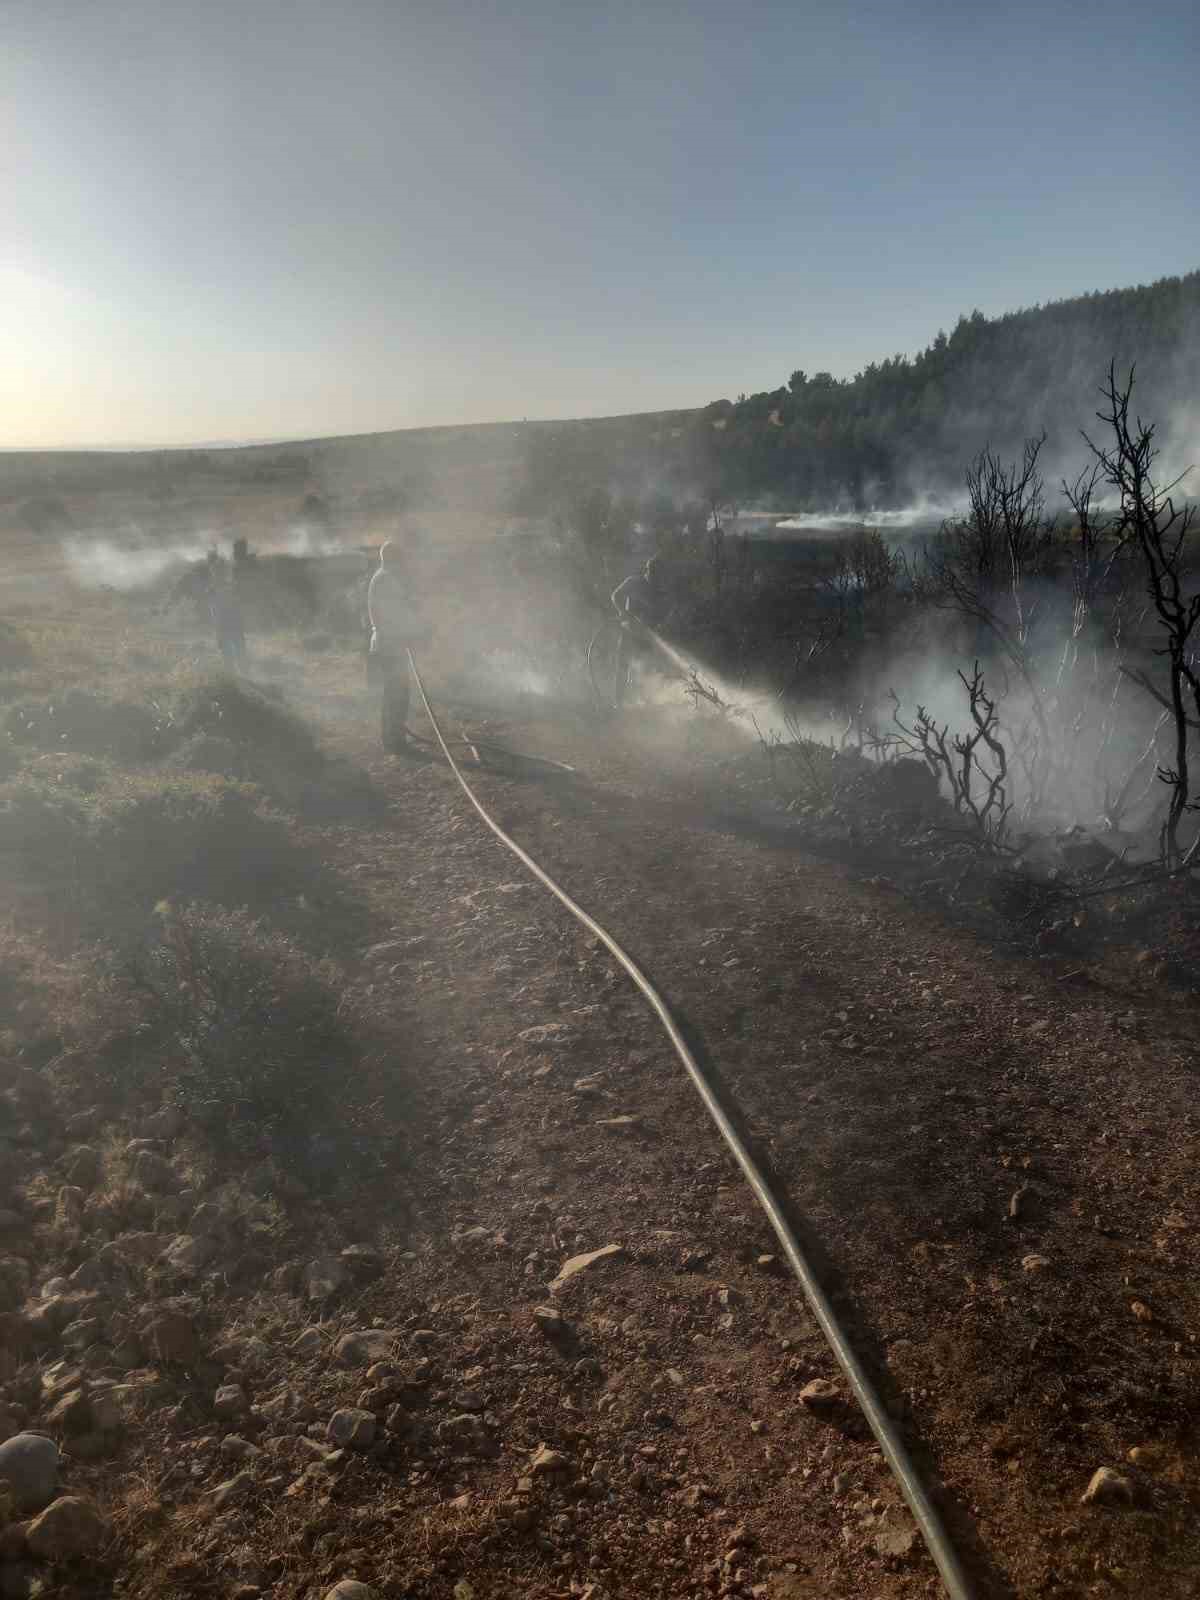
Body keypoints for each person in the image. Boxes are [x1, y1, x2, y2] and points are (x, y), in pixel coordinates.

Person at [367, 540, 417, 753]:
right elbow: (395, 616)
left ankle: (395, 737)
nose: (405, 563)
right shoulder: (386, 580)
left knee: (397, 691)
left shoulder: (385, 578)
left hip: (390, 642)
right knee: (396, 692)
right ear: (394, 559)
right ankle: (393, 740)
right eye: (402, 558)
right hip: (390, 643)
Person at [610, 556, 661, 707]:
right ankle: (618, 703)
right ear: (647, 570)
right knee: (623, 666)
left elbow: (658, 615)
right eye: (654, 573)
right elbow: (615, 596)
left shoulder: (658, 590)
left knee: (645, 670)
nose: (656, 577)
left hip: (646, 637)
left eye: (659, 575)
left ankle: (641, 704)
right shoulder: (634, 582)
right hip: (628, 632)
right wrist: (623, 613)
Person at [209, 564, 245, 673]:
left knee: (234, 653)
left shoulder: (214, 590)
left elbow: (215, 612)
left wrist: (218, 631)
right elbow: (215, 611)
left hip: (228, 625)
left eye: (217, 572)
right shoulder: (231, 587)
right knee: (235, 653)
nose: (216, 574)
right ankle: (240, 677)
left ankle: (238, 677)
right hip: (230, 624)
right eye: (215, 572)